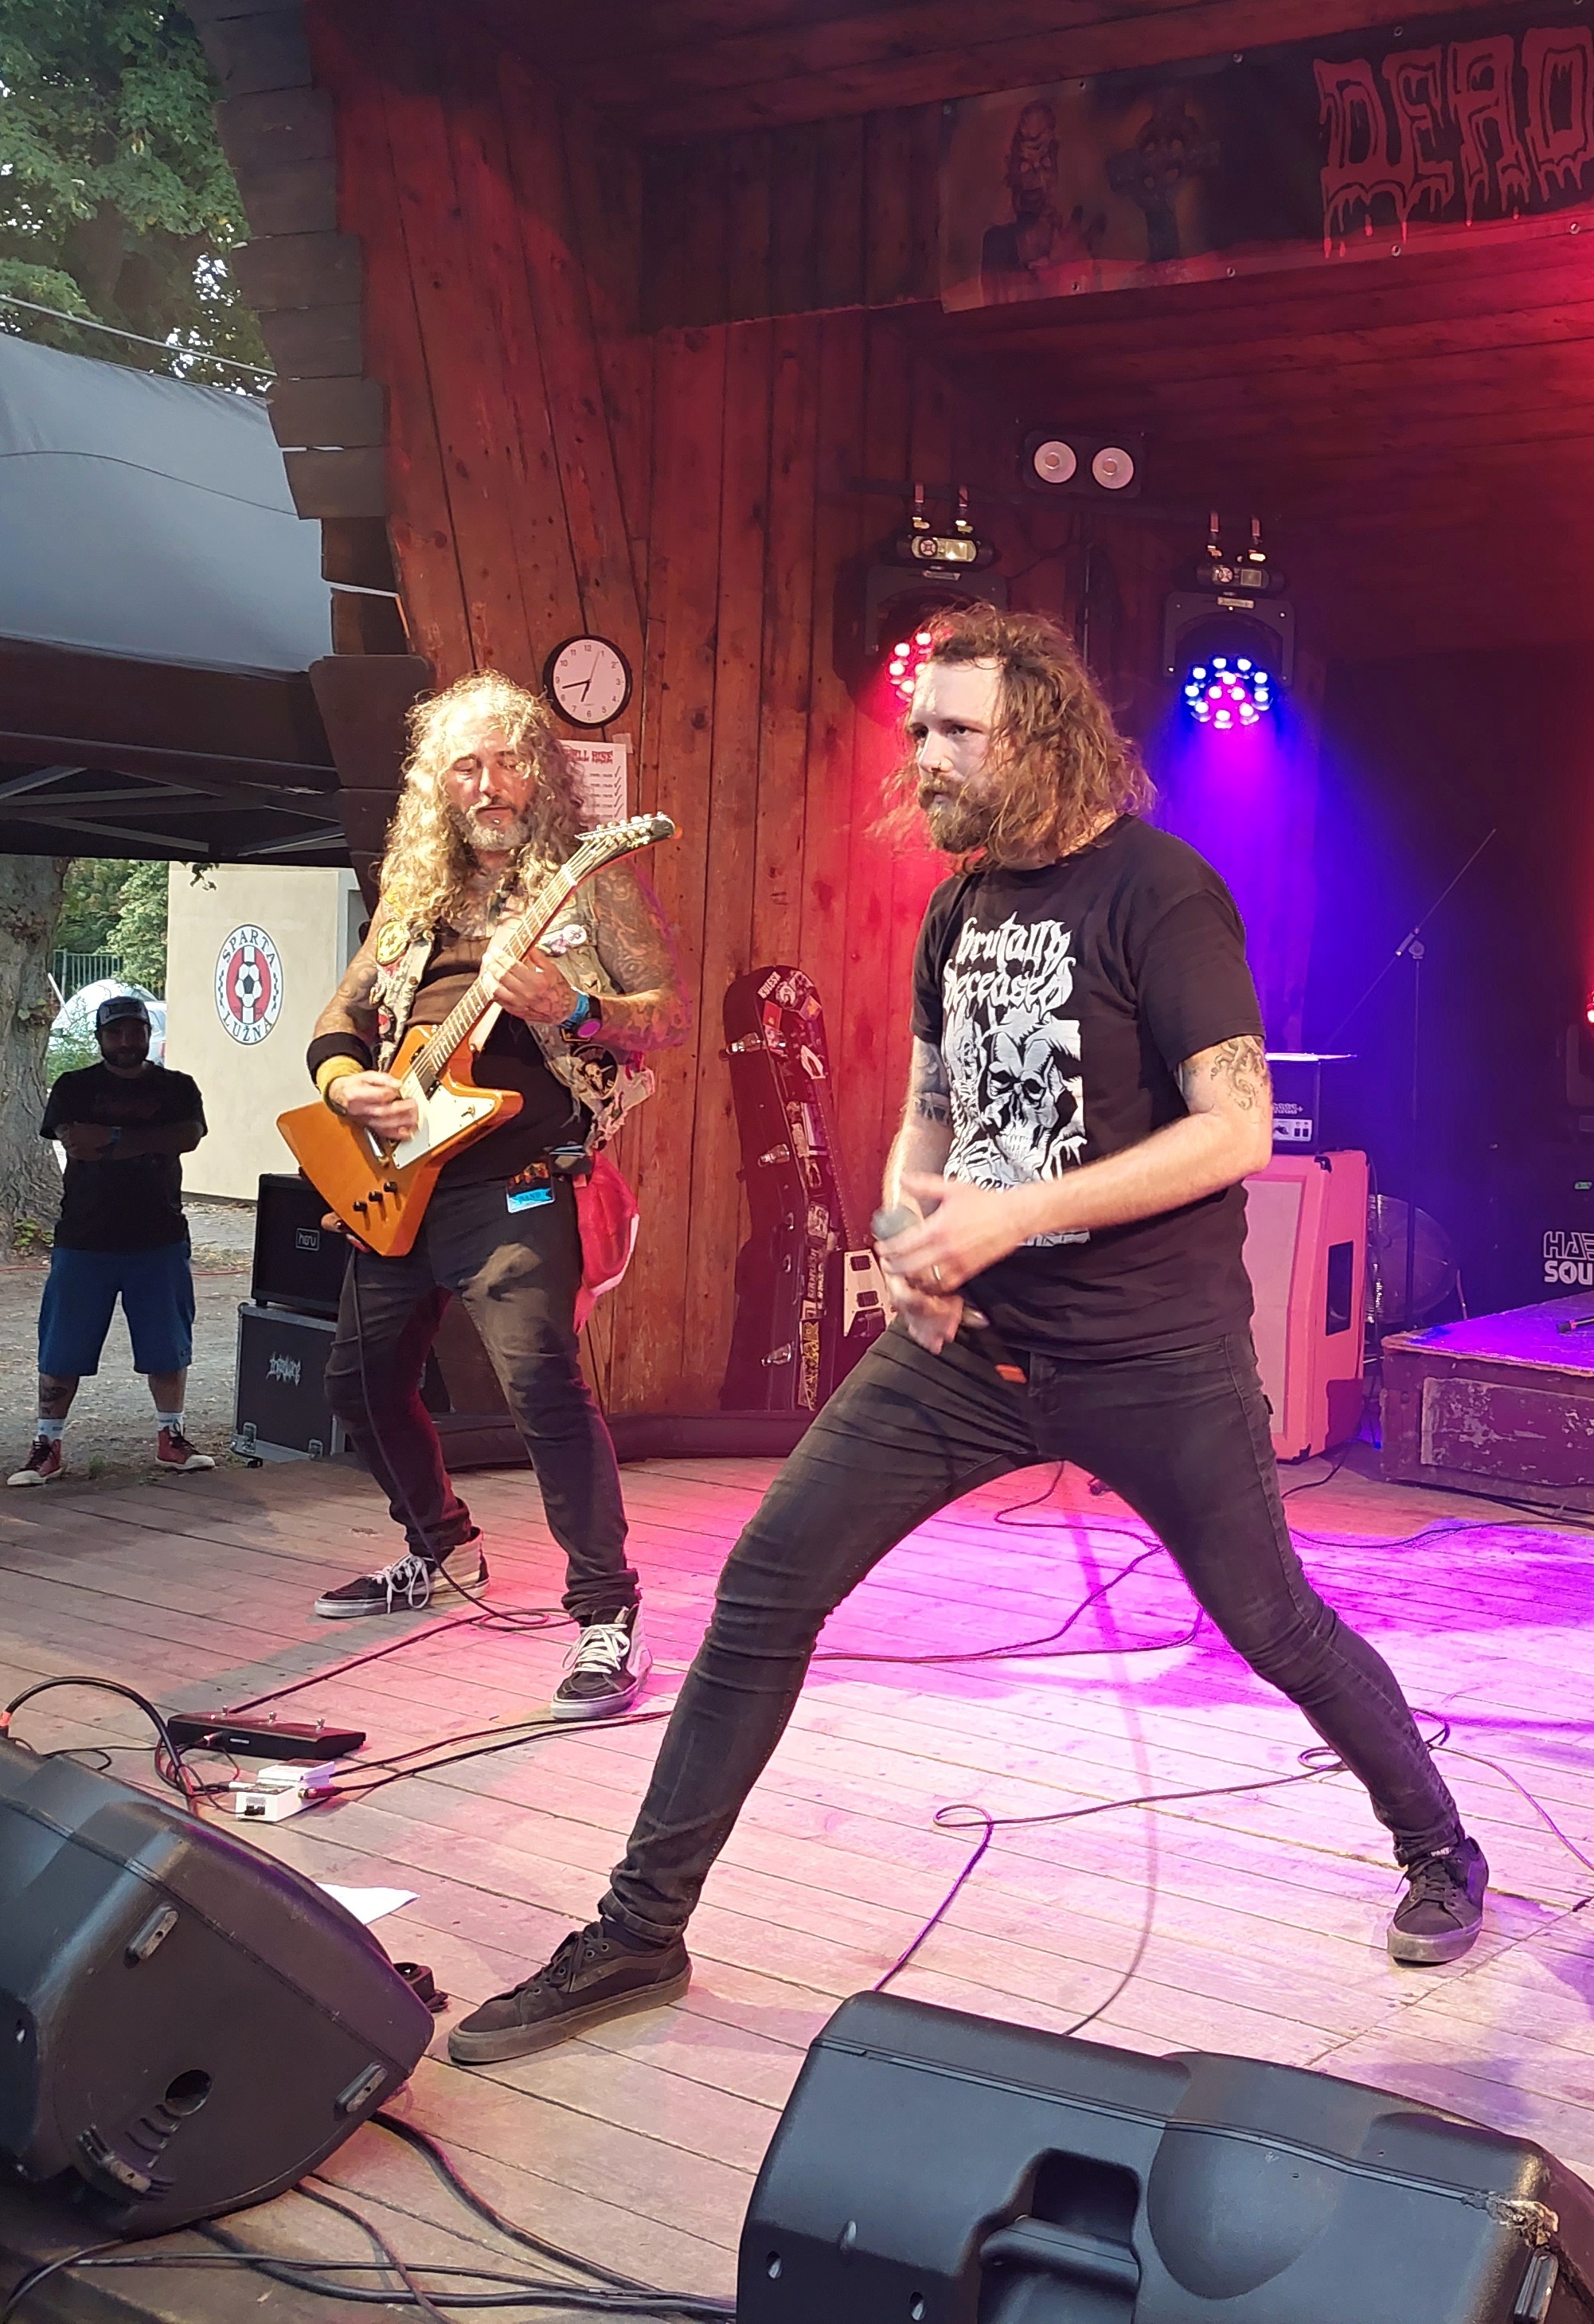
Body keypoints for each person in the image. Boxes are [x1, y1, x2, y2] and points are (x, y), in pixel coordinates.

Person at [446, 606, 1487, 2067]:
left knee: (1271, 1622)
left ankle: (1437, 1843)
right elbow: (933, 1107)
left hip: (1153, 1359)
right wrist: (903, 1224)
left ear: (1041, 737)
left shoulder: (1161, 894)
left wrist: (1013, 1215)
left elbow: (1235, 1128)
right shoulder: (960, 908)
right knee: (764, 1586)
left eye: (955, 731)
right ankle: (638, 1930)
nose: (922, 756)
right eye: (918, 729)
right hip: (963, 1354)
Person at [301, 671, 685, 1718]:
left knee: (541, 1389)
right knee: (357, 1384)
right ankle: (438, 1546)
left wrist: (577, 1003)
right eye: (466, 764)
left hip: (516, 1185)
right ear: (440, 783)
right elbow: (337, 1020)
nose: (488, 782)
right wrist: (345, 1084)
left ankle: (606, 1612)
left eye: (507, 759)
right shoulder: (414, 895)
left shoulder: (587, 883)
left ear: (539, 773)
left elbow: (665, 1016)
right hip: (401, 1181)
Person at [12, 992, 215, 1485]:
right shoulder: (74, 1086)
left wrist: (114, 1139)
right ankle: (47, 1445)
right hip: (84, 1239)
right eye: (116, 1032)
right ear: (101, 1038)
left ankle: (171, 1437)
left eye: (135, 1031)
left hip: (160, 1235)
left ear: (148, 1034)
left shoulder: (177, 1086)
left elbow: (187, 1136)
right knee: (62, 1347)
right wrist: (149, 1140)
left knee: (168, 1345)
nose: (126, 1041)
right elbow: (78, 1144)